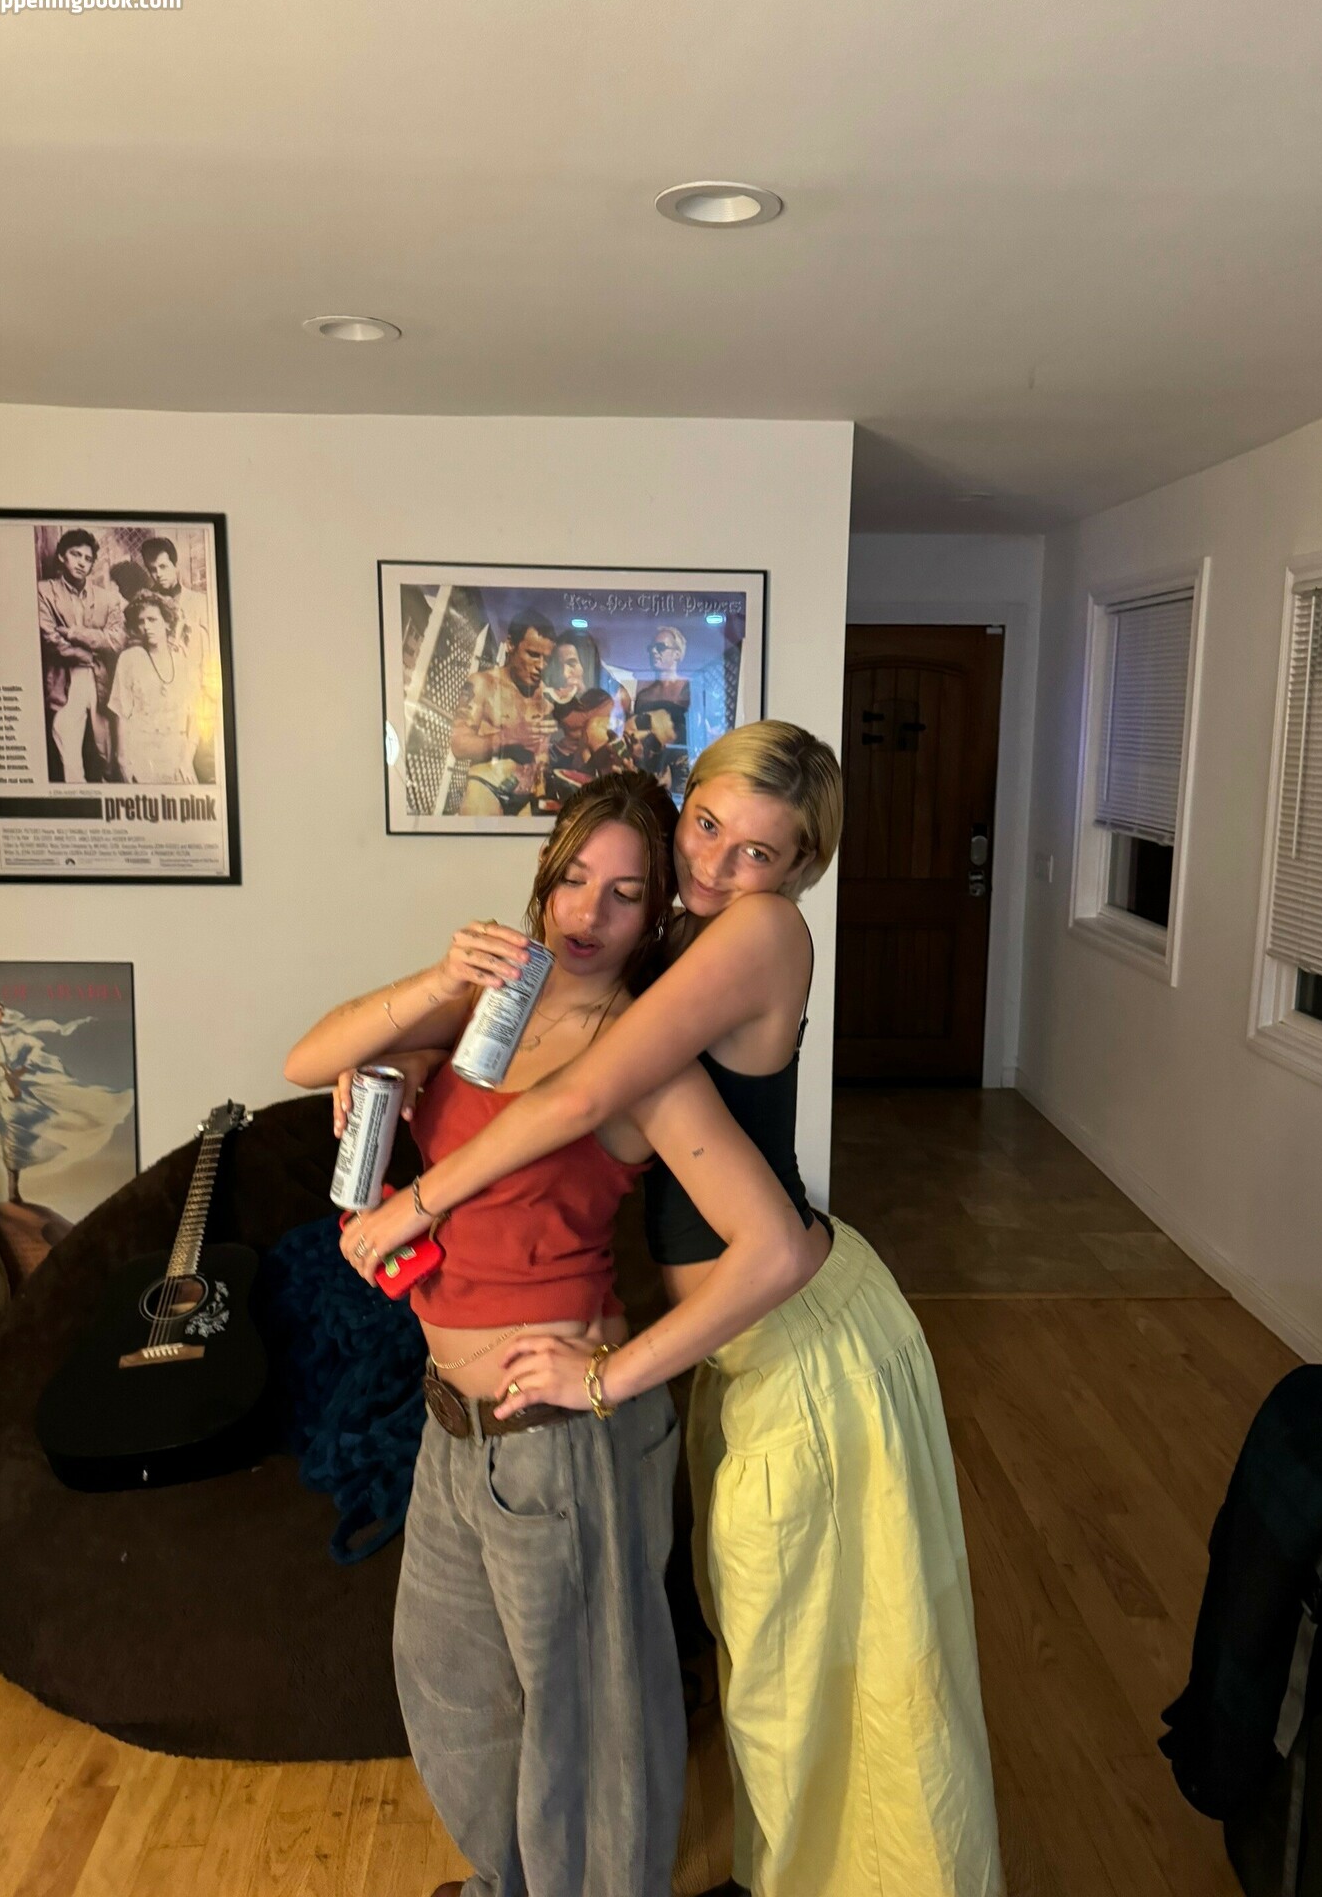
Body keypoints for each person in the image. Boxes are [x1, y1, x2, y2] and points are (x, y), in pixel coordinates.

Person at [345, 721, 1005, 1897]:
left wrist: (428, 1209)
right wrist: (407, 1068)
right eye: (706, 825)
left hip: (802, 1341)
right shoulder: (684, 941)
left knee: (822, 1678)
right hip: (751, 1350)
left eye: (759, 852)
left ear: (801, 869)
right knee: (786, 1667)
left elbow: (589, 1094)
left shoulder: (761, 930)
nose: (715, 863)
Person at [285, 772, 822, 1897]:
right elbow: (307, 1056)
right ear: (543, 877)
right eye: (573, 878)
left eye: (625, 894)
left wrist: (607, 1379)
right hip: (452, 1424)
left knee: (593, 1725)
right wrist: (424, 1006)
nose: (588, 913)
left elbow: (778, 1248)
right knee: (450, 1689)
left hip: (558, 1439)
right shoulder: (491, 1007)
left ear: (658, 913)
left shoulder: (640, 1054)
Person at [0, 997, 132, 1207]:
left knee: (14, 1137)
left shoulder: (15, 1035)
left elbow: (33, 1049)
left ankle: (12, 1189)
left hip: (7, 1092)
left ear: (2, 1012)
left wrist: (19, 1071)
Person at [36, 528, 124, 783]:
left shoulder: (108, 598)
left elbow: (117, 639)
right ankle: (77, 796)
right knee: (68, 750)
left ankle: (110, 794)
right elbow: (49, 638)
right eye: (76, 555)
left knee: (107, 751)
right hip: (65, 679)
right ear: (62, 556)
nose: (82, 563)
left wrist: (76, 633)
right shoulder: (44, 591)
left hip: (100, 679)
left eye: (87, 558)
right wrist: (87, 655)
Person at [448, 612, 558, 816]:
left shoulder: (545, 698)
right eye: (533, 654)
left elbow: (541, 754)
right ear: (510, 645)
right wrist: (510, 737)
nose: (541, 666)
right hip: (486, 789)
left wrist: (542, 793)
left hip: (526, 799)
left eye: (547, 659)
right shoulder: (483, 683)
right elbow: (459, 745)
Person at [140, 535, 216, 780]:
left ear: (175, 565)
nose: (158, 575)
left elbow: (212, 653)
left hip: (199, 694)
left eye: (163, 567)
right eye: (152, 569)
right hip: (167, 701)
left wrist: (209, 692)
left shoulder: (200, 603)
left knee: (206, 762)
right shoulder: (147, 608)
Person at [107, 591, 200, 784]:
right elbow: (121, 714)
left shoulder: (183, 662)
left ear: (167, 623)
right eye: (141, 622)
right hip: (141, 754)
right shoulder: (129, 659)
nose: (147, 627)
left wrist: (186, 760)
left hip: (177, 754)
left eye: (152, 620)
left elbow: (196, 718)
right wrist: (122, 760)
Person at [636, 625, 691, 712]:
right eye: (651, 648)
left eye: (660, 647)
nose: (653, 651)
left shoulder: (689, 690)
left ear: (677, 654)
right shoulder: (644, 696)